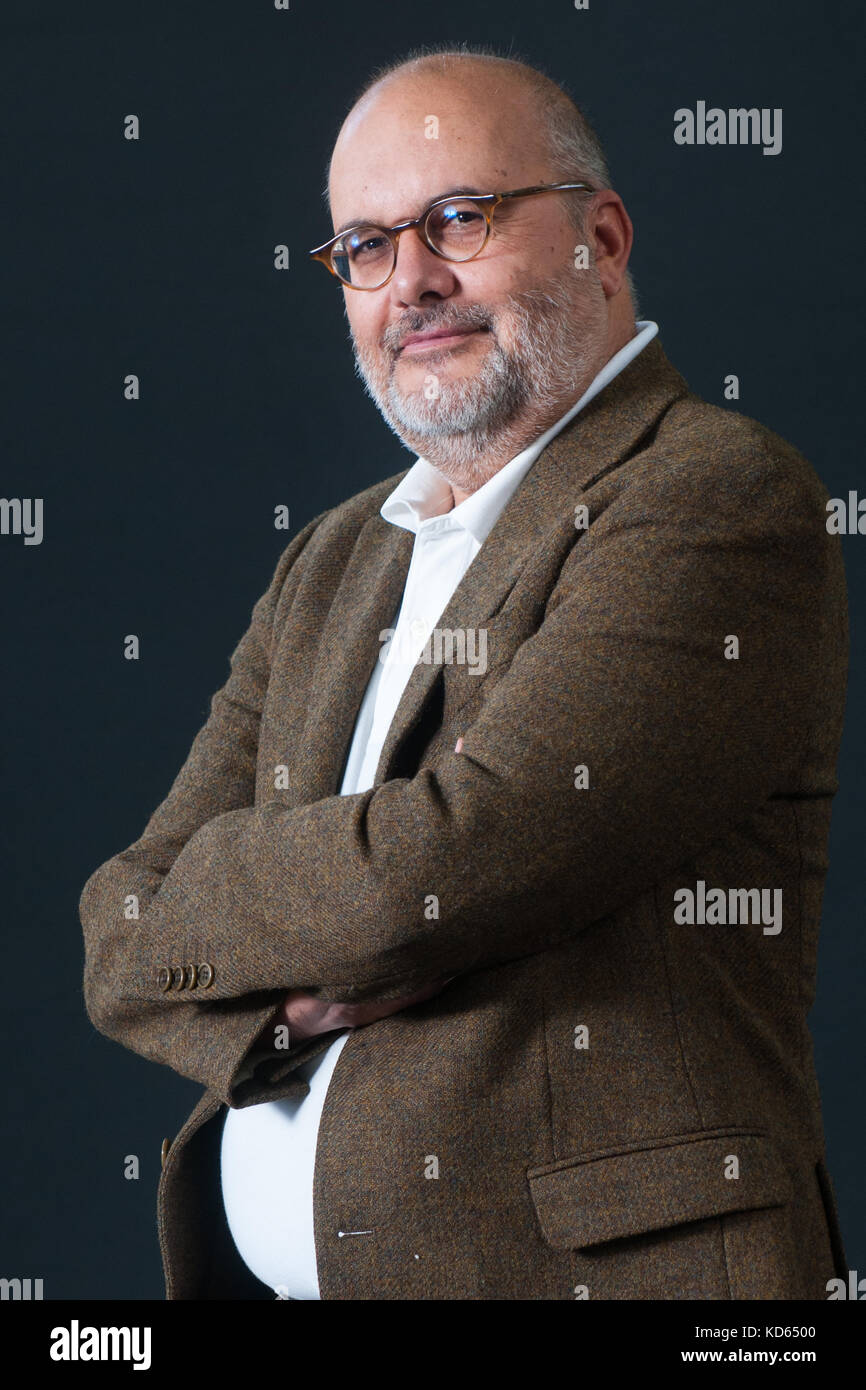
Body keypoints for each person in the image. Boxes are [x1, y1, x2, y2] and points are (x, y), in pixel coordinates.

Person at [80, 44, 850, 1300]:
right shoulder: (330, 556)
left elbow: (442, 868)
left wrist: (210, 883)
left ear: (599, 234)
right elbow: (116, 935)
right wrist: (276, 1008)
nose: (414, 282)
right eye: (366, 247)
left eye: (459, 218)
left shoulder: (711, 494)